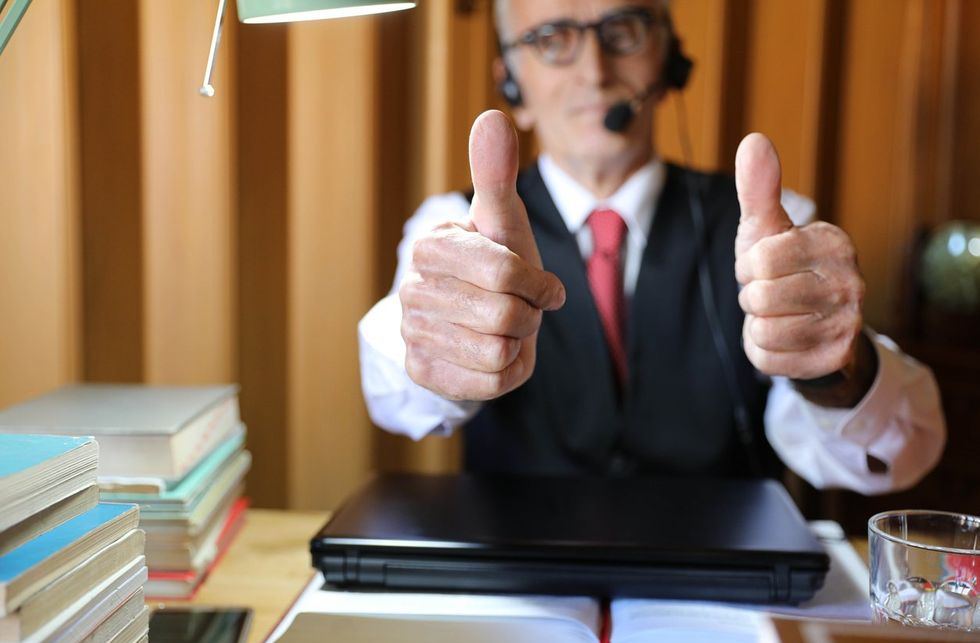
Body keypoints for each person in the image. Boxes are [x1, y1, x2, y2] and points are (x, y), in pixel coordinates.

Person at [358, 0, 945, 494]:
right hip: (520, 600)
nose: (594, 71)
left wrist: (836, 370)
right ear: (514, 86)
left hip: (720, 597)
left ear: (668, 61)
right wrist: (430, 338)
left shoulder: (777, 231)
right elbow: (393, 395)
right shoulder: (450, 228)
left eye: (623, 30)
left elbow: (899, 456)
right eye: (552, 38)